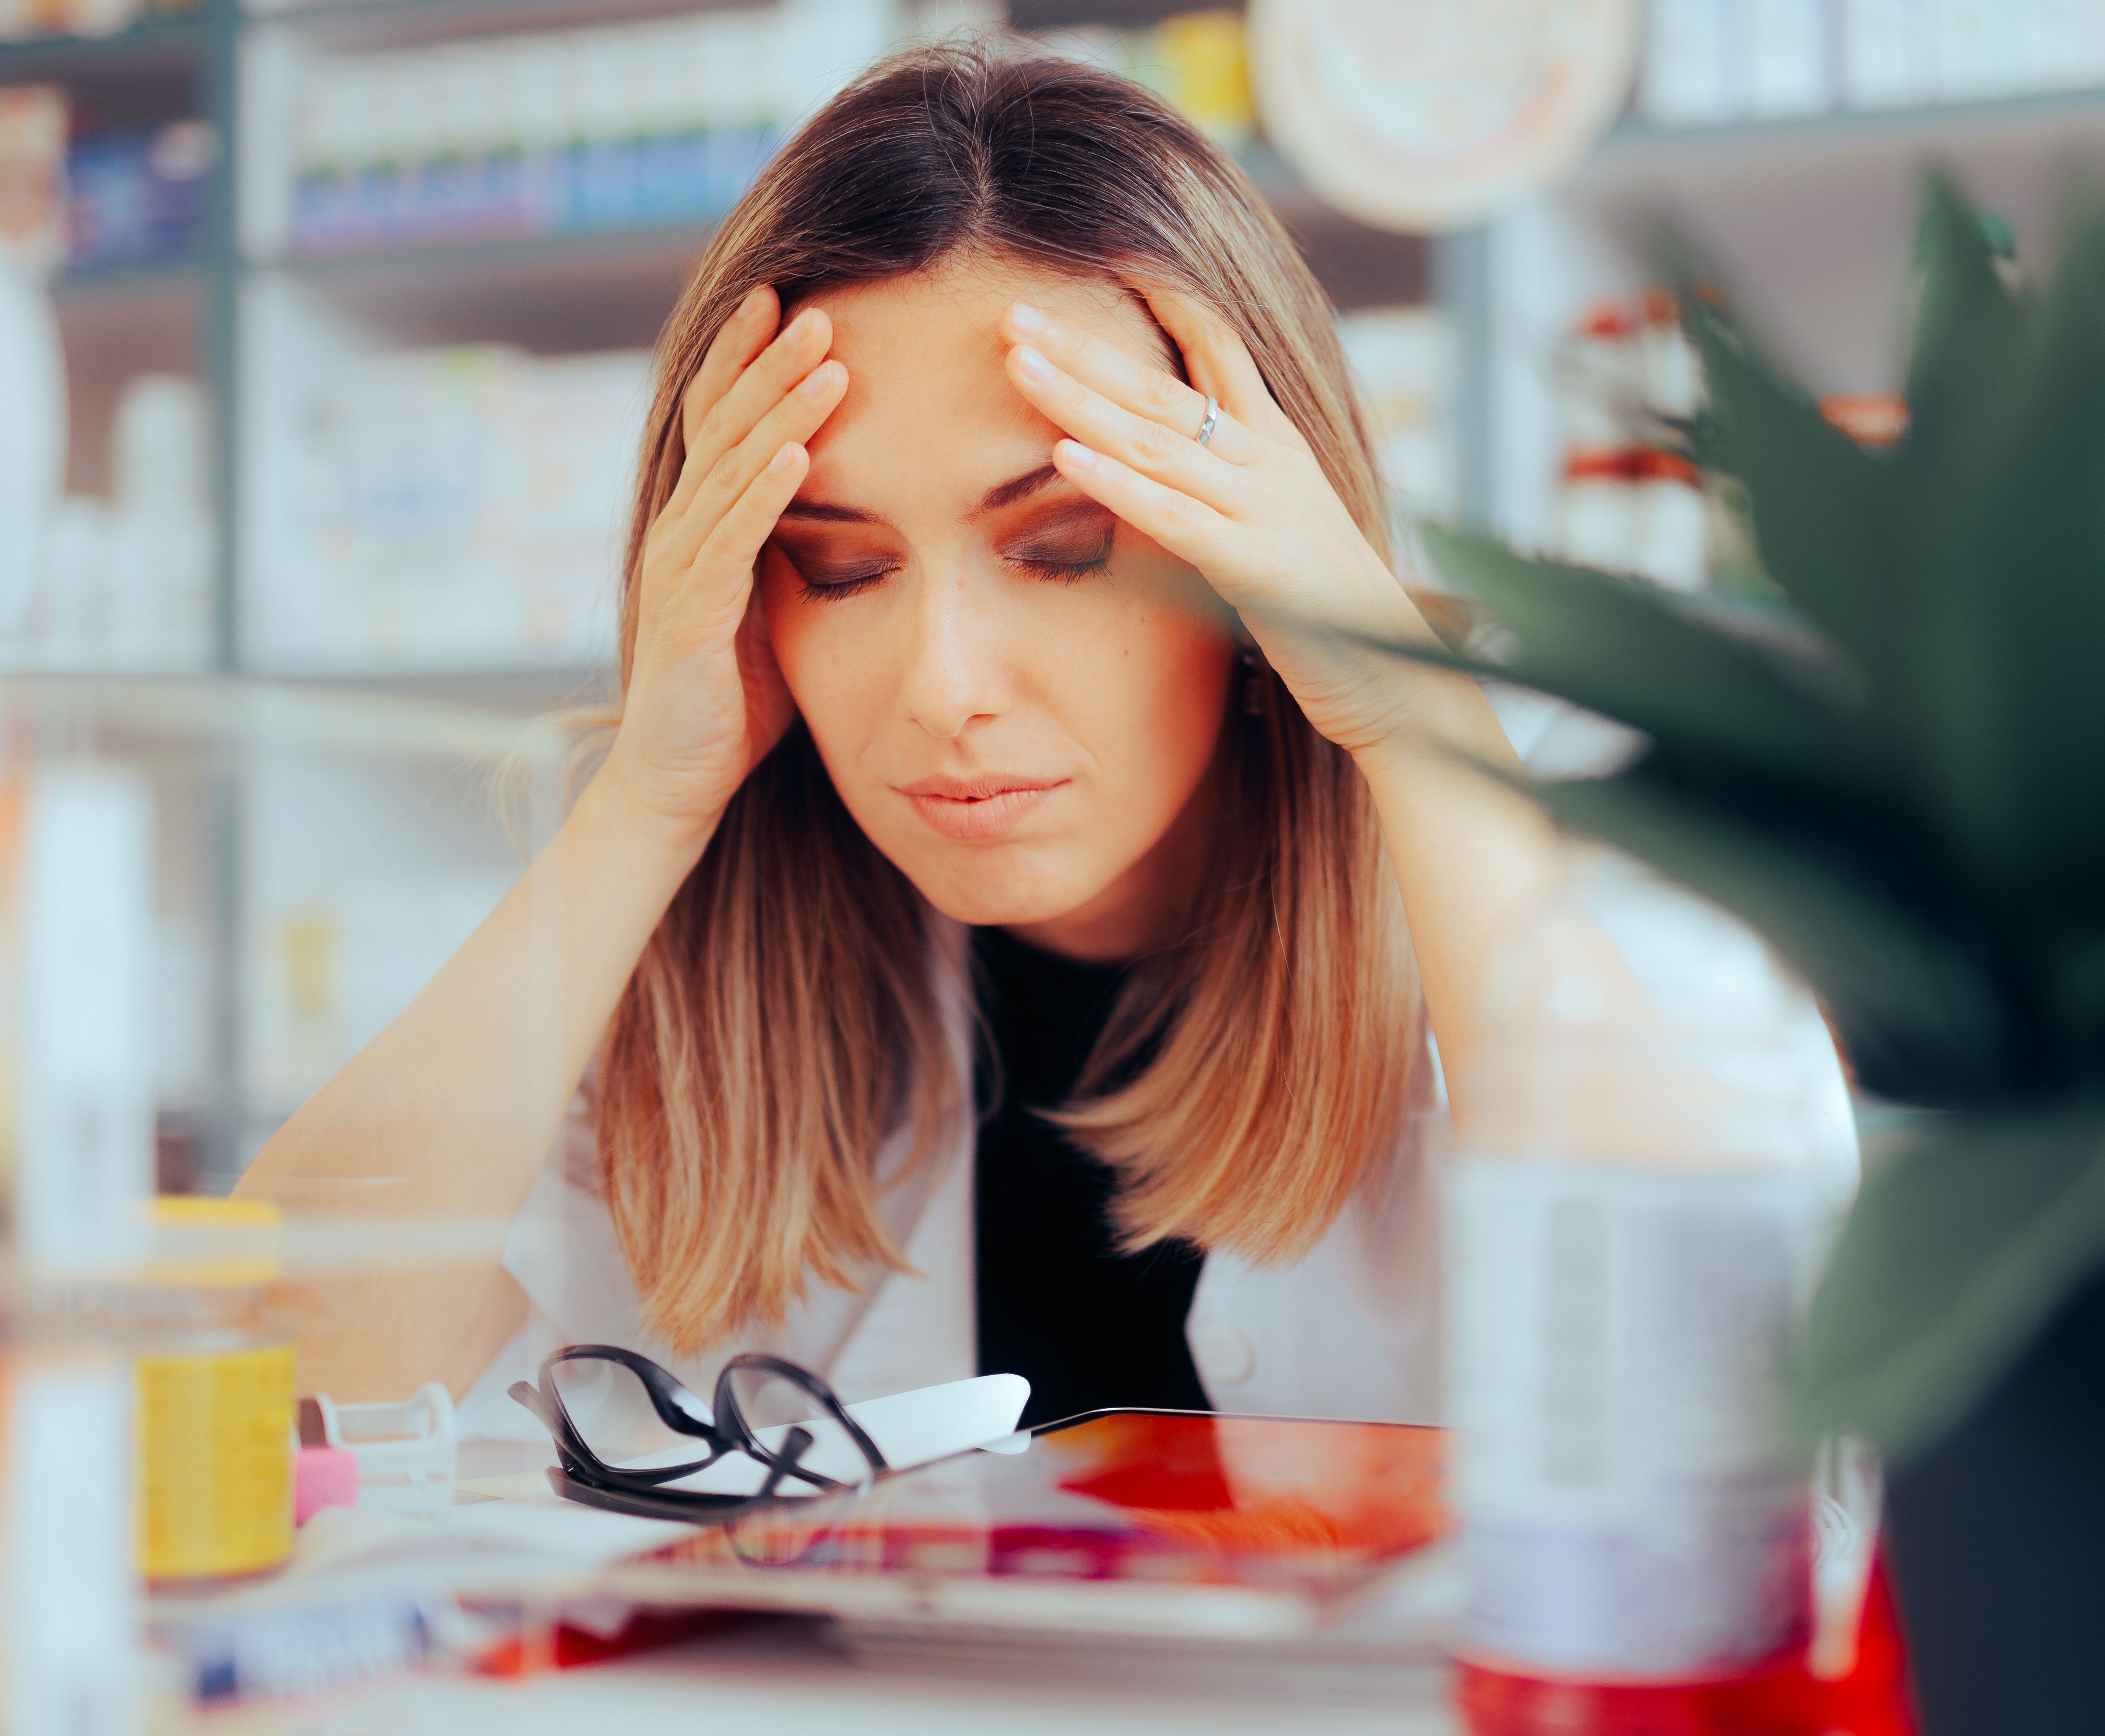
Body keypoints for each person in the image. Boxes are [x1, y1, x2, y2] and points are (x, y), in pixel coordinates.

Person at [239, 39, 1850, 1434]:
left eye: (1063, 544)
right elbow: (283, 1363)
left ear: (1258, 538)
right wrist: (653, 793)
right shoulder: (713, 931)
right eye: (839, 565)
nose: (943, 683)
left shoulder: (1570, 850)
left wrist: (1406, 716)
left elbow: (1726, 1398)